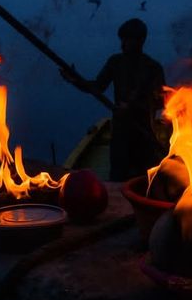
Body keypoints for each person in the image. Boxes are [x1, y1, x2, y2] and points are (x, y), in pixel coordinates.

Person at [65, 18, 166, 181]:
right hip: (120, 133)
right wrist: (75, 81)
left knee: (145, 179)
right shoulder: (115, 62)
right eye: (122, 40)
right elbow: (97, 87)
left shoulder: (153, 68)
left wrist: (133, 106)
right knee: (118, 177)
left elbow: (161, 101)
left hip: (144, 134)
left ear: (140, 41)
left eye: (127, 40)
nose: (122, 44)